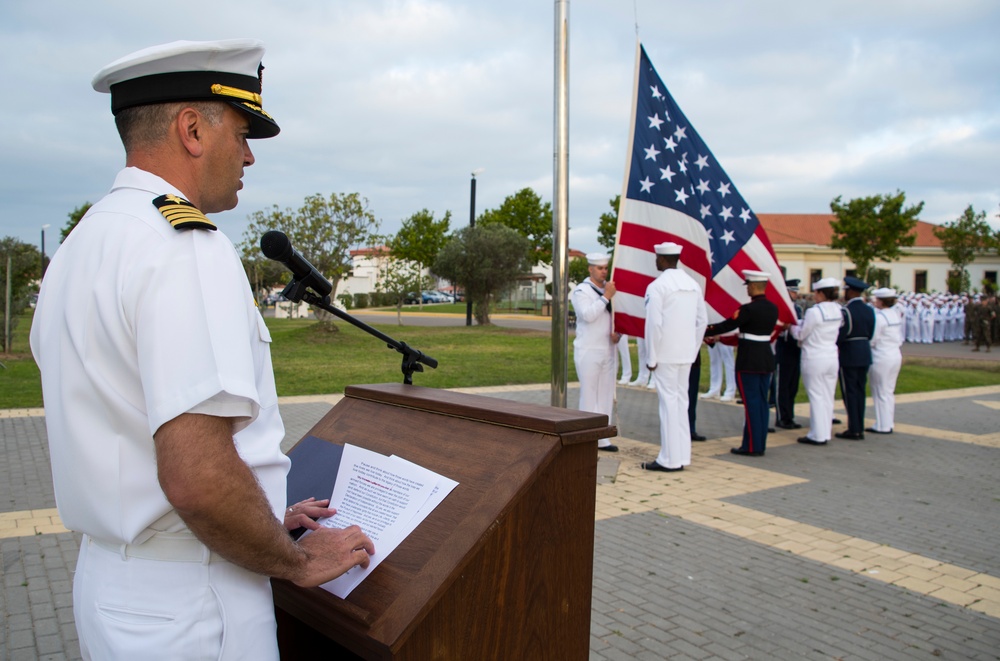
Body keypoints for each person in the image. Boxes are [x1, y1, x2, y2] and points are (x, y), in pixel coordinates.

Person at [29, 40, 375, 660]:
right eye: (243, 133)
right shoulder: (184, 244)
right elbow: (195, 477)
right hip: (194, 599)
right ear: (192, 128)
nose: (248, 156)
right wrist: (292, 558)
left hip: (114, 583)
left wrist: (264, 516)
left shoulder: (86, 241)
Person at [641, 242, 707, 472]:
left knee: (668, 405)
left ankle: (668, 459)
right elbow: (702, 321)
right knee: (681, 403)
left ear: (662, 259)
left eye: (657, 258)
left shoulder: (657, 286)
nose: (655, 261)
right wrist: (693, 348)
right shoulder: (693, 285)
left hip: (665, 355)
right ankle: (681, 456)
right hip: (685, 355)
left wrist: (651, 356)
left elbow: (654, 325)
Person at [704, 270, 780, 456]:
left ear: (753, 286)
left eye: (748, 286)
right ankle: (759, 442)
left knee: (752, 404)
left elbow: (728, 325)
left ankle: (752, 446)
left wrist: (704, 329)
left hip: (749, 361)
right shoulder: (773, 308)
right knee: (761, 403)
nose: (747, 289)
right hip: (766, 358)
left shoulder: (748, 310)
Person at [571, 252, 619, 451]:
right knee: (589, 394)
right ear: (590, 269)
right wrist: (606, 297)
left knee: (606, 394)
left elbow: (615, 317)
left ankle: (602, 438)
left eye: (605, 268)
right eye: (600, 268)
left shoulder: (611, 290)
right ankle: (587, 436)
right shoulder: (582, 291)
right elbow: (588, 315)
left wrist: (619, 333)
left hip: (608, 348)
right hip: (588, 349)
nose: (604, 272)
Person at [791, 278, 843, 446]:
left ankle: (817, 434)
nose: (814, 296)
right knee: (828, 396)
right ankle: (825, 431)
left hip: (814, 356)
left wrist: (791, 326)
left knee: (816, 396)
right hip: (831, 355)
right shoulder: (838, 309)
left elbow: (801, 334)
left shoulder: (815, 311)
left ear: (821, 293)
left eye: (816, 293)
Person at [836, 276, 875, 440]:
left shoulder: (846, 311)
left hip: (850, 353)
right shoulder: (869, 310)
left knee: (850, 392)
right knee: (860, 391)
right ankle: (859, 425)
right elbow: (871, 333)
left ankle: (854, 428)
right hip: (865, 352)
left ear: (851, 292)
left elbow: (842, 334)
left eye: (846, 291)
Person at [867, 288, 904, 434]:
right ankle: (888, 422)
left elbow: (873, 339)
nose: (875, 301)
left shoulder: (880, 317)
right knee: (888, 391)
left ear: (881, 301)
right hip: (895, 354)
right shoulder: (895, 314)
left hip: (881, 356)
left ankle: (882, 425)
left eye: (877, 299)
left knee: (879, 391)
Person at [774, 279, 803, 429]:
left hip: (795, 349)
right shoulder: (780, 307)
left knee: (793, 385)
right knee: (782, 385)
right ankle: (782, 416)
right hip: (784, 347)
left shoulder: (797, 309)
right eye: (793, 291)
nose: (795, 294)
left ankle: (790, 415)